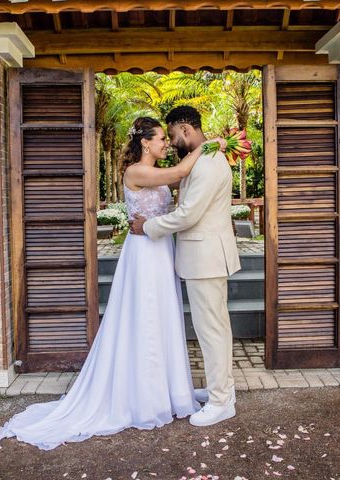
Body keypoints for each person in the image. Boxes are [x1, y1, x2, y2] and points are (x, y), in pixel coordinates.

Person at [0, 116, 223, 450]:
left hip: (160, 250)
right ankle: (145, 398)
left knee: (162, 317)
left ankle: (169, 390)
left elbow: (186, 182)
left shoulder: (155, 172)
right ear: (145, 142)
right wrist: (209, 145)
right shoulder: (135, 171)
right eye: (161, 138)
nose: (166, 144)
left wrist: (212, 151)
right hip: (144, 254)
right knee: (145, 318)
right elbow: (179, 174)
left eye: (166, 138)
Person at [129, 106, 241, 427]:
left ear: (185, 129)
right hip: (203, 257)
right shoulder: (203, 158)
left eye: (173, 135)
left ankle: (222, 402)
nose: (173, 142)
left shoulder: (208, 163)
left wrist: (147, 227)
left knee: (212, 331)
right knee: (213, 329)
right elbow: (179, 180)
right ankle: (223, 391)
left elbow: (188, 215)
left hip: (206, 258)